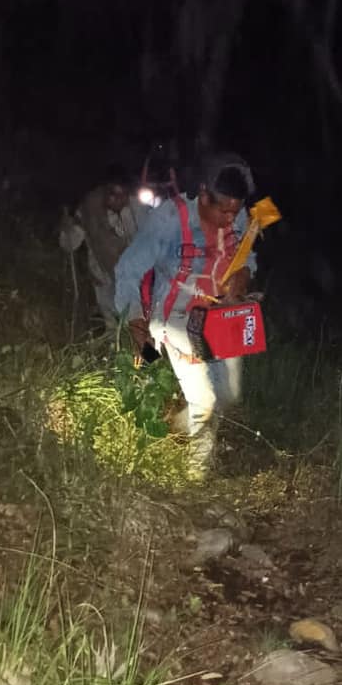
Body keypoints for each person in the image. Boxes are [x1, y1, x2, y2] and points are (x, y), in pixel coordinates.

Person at [115, 152, 257, 473]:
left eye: (236, 212)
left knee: (228, 397)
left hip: (220, 319)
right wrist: (137, 326)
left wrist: (244, 273)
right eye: (224, 211)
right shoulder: (169, 221)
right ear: (203, 195)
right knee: (205, 402)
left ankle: (179, 426)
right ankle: (194, 479)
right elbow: (127, 271)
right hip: (175, 317)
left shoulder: (239, 215)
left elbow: (248, 255)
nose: (231, 219)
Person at [59, 167, 150, 326]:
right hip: (104, 278)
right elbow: (70, 245)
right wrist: (68, 231)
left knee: (138, 323)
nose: (115, 199)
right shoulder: (90, 211)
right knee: (114, 326)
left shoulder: (139, 208)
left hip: (136, 279)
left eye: (121, 195)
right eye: (111, 194)